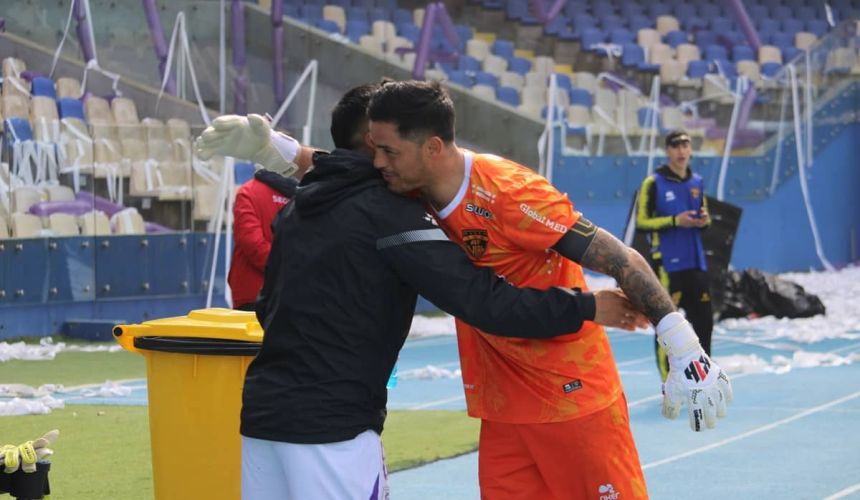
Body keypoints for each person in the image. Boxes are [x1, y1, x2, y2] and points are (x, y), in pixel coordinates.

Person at [196, 84, 649, 500]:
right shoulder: (390, 214)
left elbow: (267, 305)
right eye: (383, 148)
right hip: (332, 429)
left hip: (262, 416)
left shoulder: (299, 209)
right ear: (374, 145)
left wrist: (284, 152)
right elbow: (483, 301)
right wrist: (587, 305)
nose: (384, 163)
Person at [364, 81, 733, 499]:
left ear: (432, 148)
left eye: (387, 151)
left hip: (571, 399)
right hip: (504, 411)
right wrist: (280, 151)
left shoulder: (512, 193)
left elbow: (620, 258)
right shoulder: (403, 186)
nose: (376, 162)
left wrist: (684, 347)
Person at [636, 130, 713, 382]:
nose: (681, 150)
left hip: (695, 262)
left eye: (686, 145)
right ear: (667, 151)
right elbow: (642, 222)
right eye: (676, 145)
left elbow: (707, 218)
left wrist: (702, 221)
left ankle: (702, 380)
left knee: (704, 323)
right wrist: (674, 221)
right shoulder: (653, 183)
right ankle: (670, 383)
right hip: (667, 266)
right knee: (668, 327)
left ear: (691, 150)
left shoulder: (697, 182)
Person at [228, 168, 297, 310]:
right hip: (291, 294)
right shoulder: (303, 197)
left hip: (252, 293)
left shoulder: (248, 192)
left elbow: (252, 243)